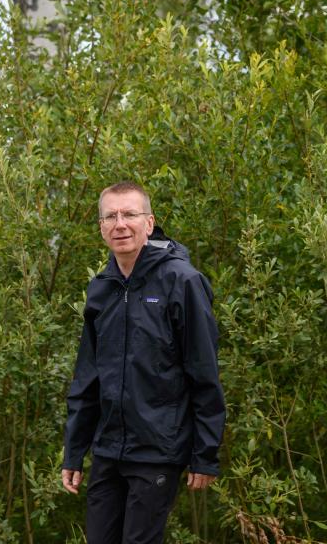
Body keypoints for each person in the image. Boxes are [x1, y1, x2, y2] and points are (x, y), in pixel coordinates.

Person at [61, 181, 226, 544]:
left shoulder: (182, 282)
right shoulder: (101, 288)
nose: (120, 224)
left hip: (158, 449)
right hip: (108, 449)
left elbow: (203, 373)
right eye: (111, 216)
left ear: (149, 223)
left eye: (130, 215)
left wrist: (205, 455)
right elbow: (87, 377)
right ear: (102, 227)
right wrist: (74, 452)